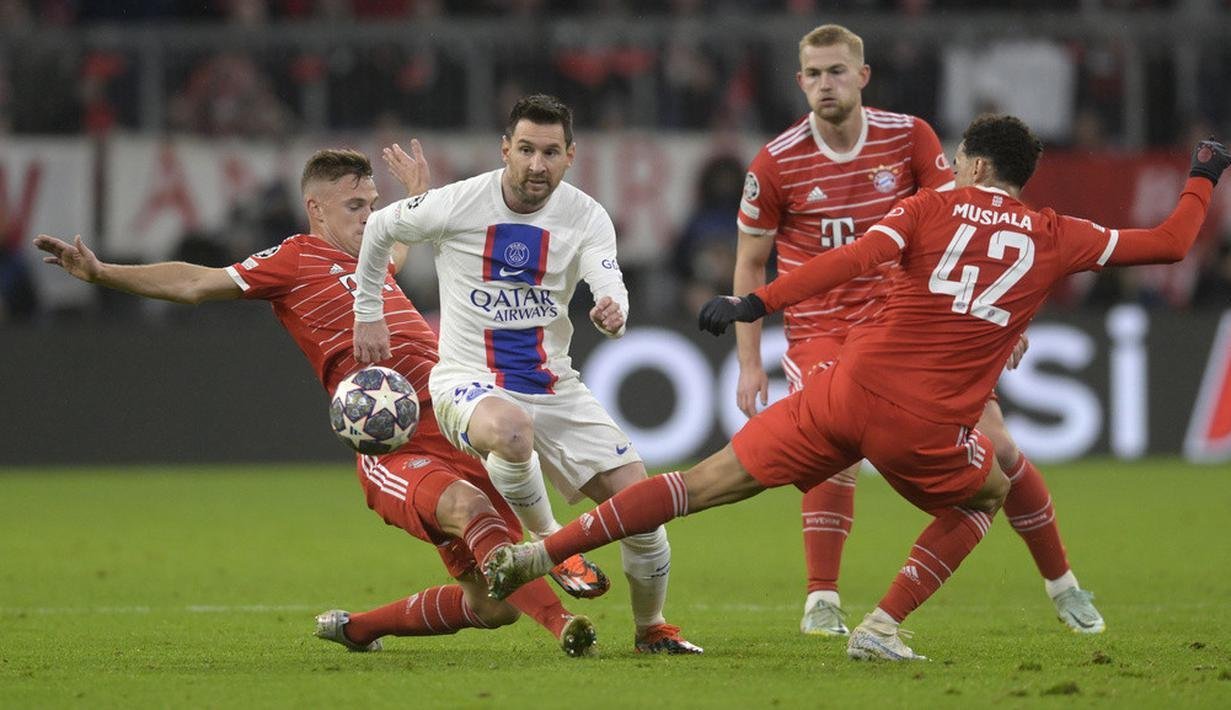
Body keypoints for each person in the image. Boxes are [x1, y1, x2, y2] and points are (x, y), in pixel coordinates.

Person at [483, 117, 1231, 662]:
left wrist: (756, 303)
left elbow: (850, 262)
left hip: (843, 391)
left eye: (957, 161)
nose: (952, 168)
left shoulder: (928, 207)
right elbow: (1171, 244)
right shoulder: (1056, 233)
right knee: (986, 493)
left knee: (695, 484)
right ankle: (882, 625)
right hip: (924, 426)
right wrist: (1203, 173)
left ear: (972, 164)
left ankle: (545, 552)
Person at [33, 148, 600, 658]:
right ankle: (563, 621)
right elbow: (196, 283)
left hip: (452, 417)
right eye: (355, 206)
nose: (369, 216)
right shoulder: (295, 259)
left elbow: (398, 249)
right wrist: (103, 272)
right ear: (317, 209)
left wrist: (416, 197)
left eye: (372, 204)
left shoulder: (373, 259)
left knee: (492, 606)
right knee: (469, 509)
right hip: (394, 442)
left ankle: (360, 628)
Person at [734, 24, 1102, 636]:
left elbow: (970, 228)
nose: (826, 84)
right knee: (835, 452)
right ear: (799, 82)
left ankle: (1063, 584)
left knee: (1000, 447)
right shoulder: (775, 162)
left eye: (836, 71)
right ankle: (822, 599)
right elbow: (750, 264)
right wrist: (750, 361)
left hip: (911, 324)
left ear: (862, 76)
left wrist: (1002, 321)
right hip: (824, 328)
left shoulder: (910, 137)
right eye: (814, 74)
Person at [351, 94, 702, 654]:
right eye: (526, 150)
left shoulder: (586, 216)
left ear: (570, 156)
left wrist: (613, 309)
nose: (537, 164)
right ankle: (549, 544)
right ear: (505, 150)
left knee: (643, 509)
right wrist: (367, 311)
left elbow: (607, 277)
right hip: (470, 379)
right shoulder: (458, 203)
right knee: (512, 431)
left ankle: (651, 629)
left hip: (554, 384)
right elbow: (379, 228)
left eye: (550, 152)